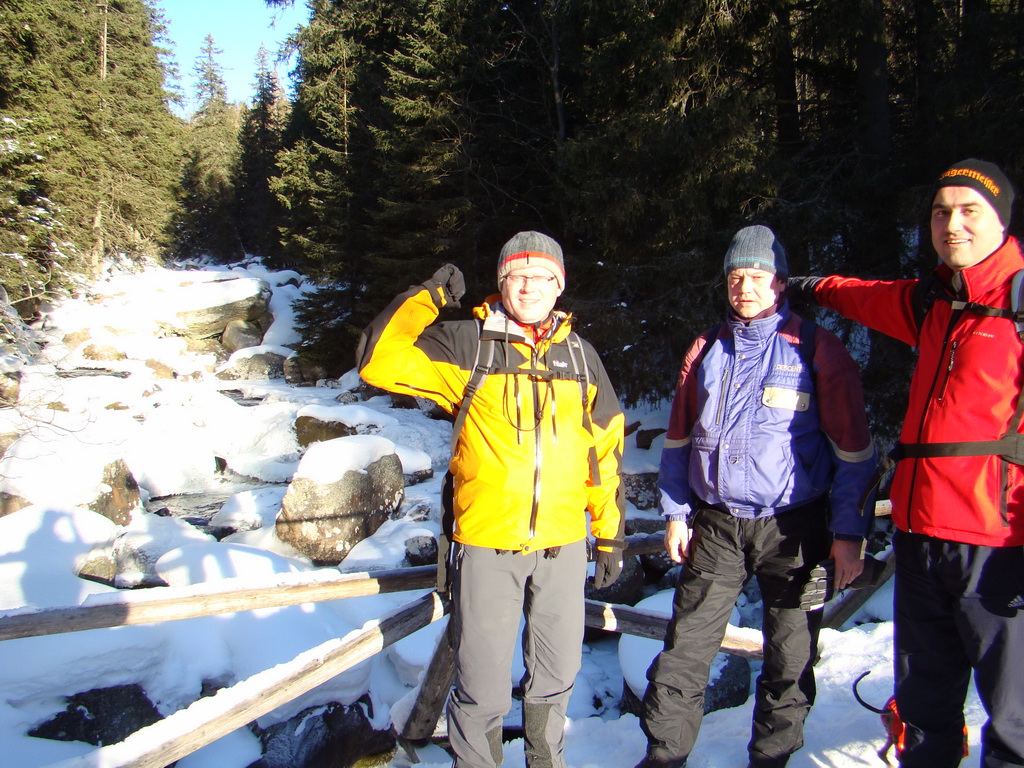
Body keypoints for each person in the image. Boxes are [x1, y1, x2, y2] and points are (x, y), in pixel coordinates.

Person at [356, 231, 626, 768]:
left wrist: (609, 531)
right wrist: (428, 298)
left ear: (559, 285)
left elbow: (604, 450)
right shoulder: (468, 343)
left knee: (555, 680)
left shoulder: (580, 356)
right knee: (482, 685)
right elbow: (377, 360)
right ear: (502, 282)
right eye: (517, 275)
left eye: (542, 276)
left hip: (564, 546)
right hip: (486, 547)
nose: (529, 286)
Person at [789, 159, 1024, 768]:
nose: (952, 223)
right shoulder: (934, 302)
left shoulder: (1019, 303)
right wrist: (803, 285)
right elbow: (868, 299)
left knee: (1017, 718)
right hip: (919, 541)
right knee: (923, 709)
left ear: (1001, 218)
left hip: (997, 545)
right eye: (942, 211)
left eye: (970, 210)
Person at [635, 225, 877, 768]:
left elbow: (855, 454)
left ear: (781, 282)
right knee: (685, 650)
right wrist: (675, 513)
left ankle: (772, 759)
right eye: (735, 276)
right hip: (716, 526)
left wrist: (849, 535)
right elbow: (678, 438)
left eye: (758, 275)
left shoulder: (816, 347)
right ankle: (663, 757)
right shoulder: (706, 349)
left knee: (790, 657)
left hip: (794, 530)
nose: (745, 286)